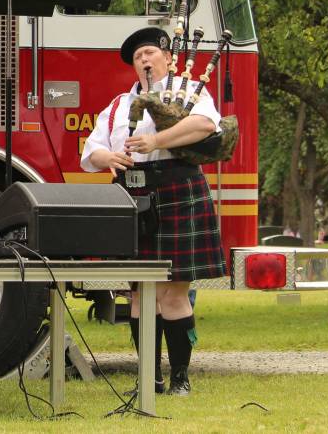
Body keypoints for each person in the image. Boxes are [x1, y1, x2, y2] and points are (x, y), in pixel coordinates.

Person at [81, 27, 226, 396]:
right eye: (137, 57)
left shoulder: (187, 94)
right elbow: (90, 153)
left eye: (149, 53)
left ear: (167, 57)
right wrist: (107, 157)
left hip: (179, 189)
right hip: (133, 195)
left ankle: (180, 377)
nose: (144, 60)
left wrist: (156, 140)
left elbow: (207, 124)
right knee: (140, 293)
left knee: (173, 293)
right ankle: (150, 378)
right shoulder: (117, 105)